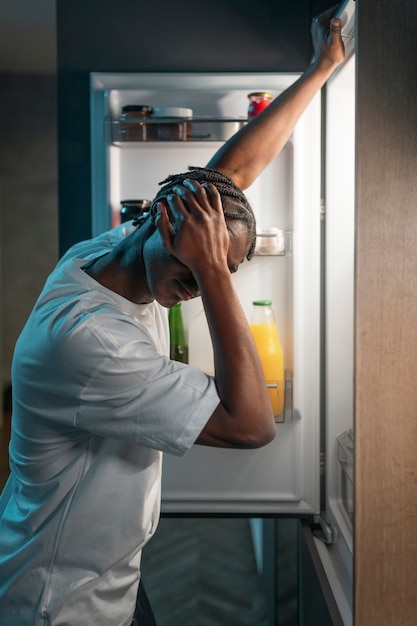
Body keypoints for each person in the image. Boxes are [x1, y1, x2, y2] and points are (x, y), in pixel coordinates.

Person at [0, 9, 344, 626]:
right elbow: (251, 426)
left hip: (108, 575)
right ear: (162, 223)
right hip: (60, 601)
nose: (192, 290)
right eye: (192, 274)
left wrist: (320, 69)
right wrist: (216, 275)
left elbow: (228, 177)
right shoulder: (89, 342)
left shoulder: (105, 252)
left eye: (209, 274)